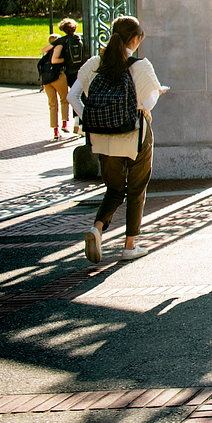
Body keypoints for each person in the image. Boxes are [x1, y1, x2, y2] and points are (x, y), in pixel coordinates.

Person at [68, 16, 167, 263]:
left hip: (102, 139)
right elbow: (147, 104)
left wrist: (90, 118)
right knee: (136, 190)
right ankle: (129, 245)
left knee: (114, 189)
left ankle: (97, 228)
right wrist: (156, 92)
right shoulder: (141, 66)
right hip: (134, 136)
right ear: (135, 39)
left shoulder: (95, 63)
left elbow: (72, 96)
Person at [38, 33, 69, 140]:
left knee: (52, 104)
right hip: (58, 77)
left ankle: (55, 130)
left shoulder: (46, 54)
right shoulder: (59, 50)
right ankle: (64, 123)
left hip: (46, 80)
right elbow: (55, 61)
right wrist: (66, 60)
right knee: (64, 99)